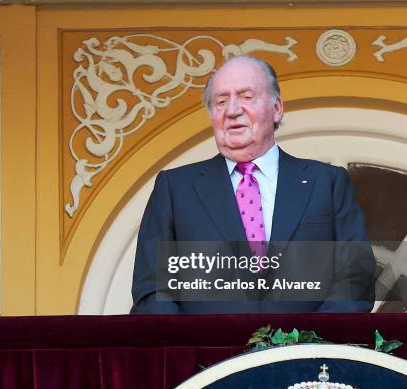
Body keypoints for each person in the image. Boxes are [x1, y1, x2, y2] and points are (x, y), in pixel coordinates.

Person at [131, 56, 375, 314]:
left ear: (277, 108)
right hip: (205, 353)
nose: (233, 110)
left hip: (308, 351)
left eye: (246, 97)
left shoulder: (327, 183)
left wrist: (307, 344)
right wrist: (192, 348)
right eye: (221, 101)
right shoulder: (174, 189)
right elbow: (153, 291)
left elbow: (355, 280)